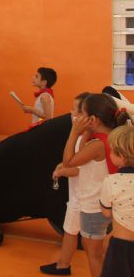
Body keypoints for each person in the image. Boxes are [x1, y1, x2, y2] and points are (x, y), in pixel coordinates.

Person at [62, 93, 127, 277]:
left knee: (94, 254)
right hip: (108, 204)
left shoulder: (97, 145)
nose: (78, 117)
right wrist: (88, 131)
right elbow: (83, 154)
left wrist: (75, 131)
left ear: (93, 119)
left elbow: (68, 161)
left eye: (82, 113)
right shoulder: (114, 137)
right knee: (101, 252)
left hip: (93, 207)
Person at [40, 92, 90, 276]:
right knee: (70, 231)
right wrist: (64, 166)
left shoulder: (86, 138)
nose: (70, 112)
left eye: (75, 110)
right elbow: (73, 161)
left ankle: (65, 264)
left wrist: (62, 171)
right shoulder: (80, 136)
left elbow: (81, 169)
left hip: (84, 196)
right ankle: (63, 264)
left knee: (87, 241)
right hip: (78, 195)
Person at [100, 124, 134, 277]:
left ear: (121, 156)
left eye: (111, 150)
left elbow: (106, 212)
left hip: (121, 247)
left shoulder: (111, 181)